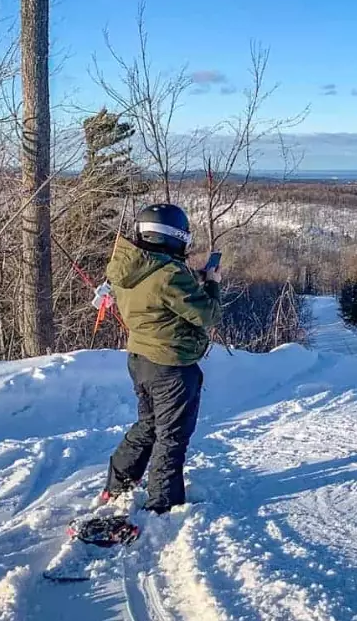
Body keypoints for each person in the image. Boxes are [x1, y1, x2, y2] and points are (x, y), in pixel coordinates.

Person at [101, 203, 222, 514]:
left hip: (140, 357)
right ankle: (163, 506)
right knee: (171, 436)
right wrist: (211, 283)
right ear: (173, 236)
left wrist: (191, 279)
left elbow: (156, 295)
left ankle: (118, 484)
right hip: (171, 365)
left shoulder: (130, 267)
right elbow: (207, 314)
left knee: (149, 425)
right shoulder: (169, 274)